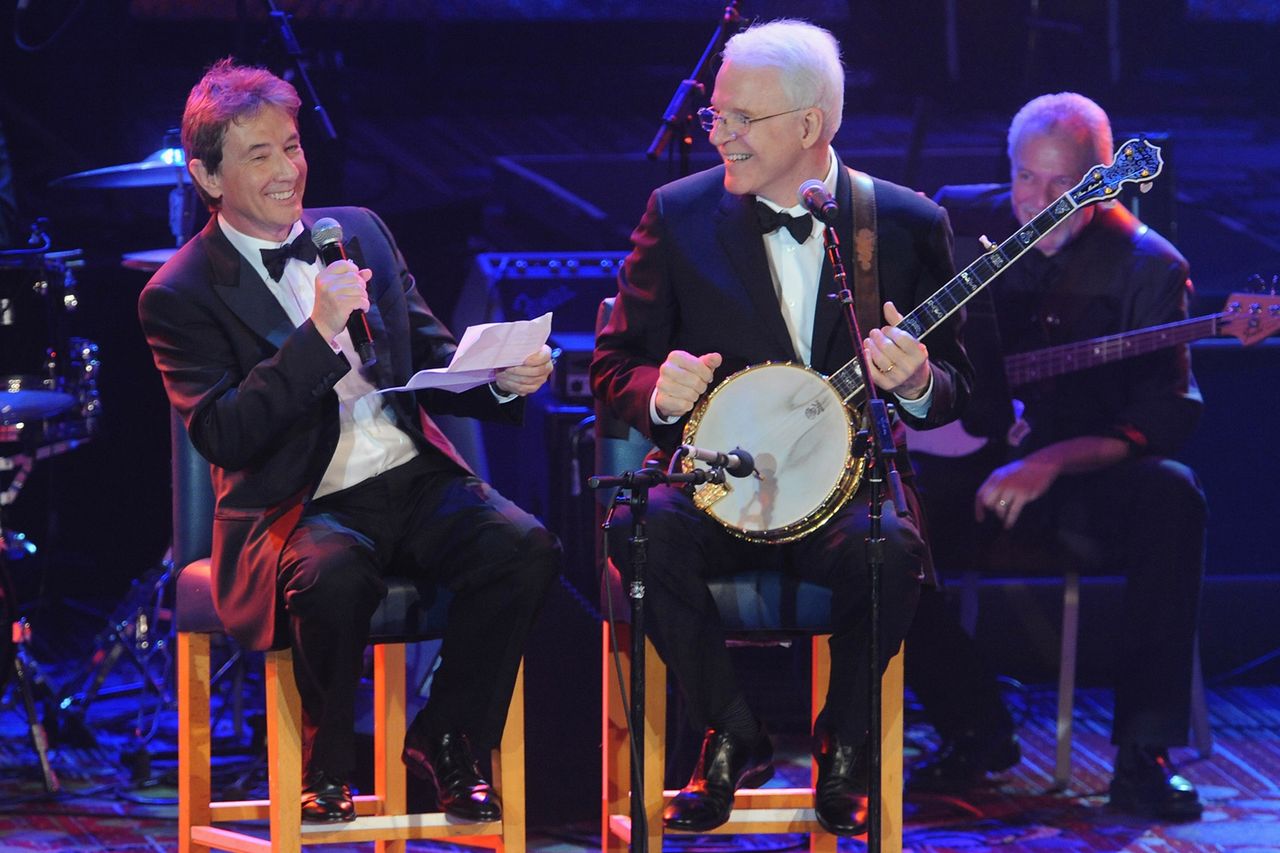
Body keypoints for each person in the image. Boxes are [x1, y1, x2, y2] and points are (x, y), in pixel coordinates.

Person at [138, 59, 559, 824]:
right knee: (332, 576)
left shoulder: (358, 231)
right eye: (258, 155)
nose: (286, 171)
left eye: (292, 147)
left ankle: (447, 736)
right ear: (206, 175)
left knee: (524, 546)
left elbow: (432, 354)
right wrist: (318, 333)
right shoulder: (179, 290)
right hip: (299, 503)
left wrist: (501, 376)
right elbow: (226, 433)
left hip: (410, 475)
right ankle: (326, 766)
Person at [590, 19, 972, 836]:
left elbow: (958, 388)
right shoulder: (679, 214)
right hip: (719, 482)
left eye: (741, 119)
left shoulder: (901, 223)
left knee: (893, 547)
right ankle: (731, 731)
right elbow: (613, 364)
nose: (719, 134)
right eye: (715, 116)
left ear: (808, 127)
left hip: (842, 491)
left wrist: (915, 386)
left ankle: (845, 745)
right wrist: (664, 390)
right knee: (641, 529)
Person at [904, 92, 1206, 821]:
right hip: (963, 460)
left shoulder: (1148, 266)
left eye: (1061, 185)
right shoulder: (956, 219)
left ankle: (1143, 756)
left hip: (1081, 478)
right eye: (1023, 180)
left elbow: (1160, 418)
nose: (1037, 203)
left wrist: (1047, 462)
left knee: (1174, 494)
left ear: (1103, 179)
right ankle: (975, 723)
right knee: (876, 525)